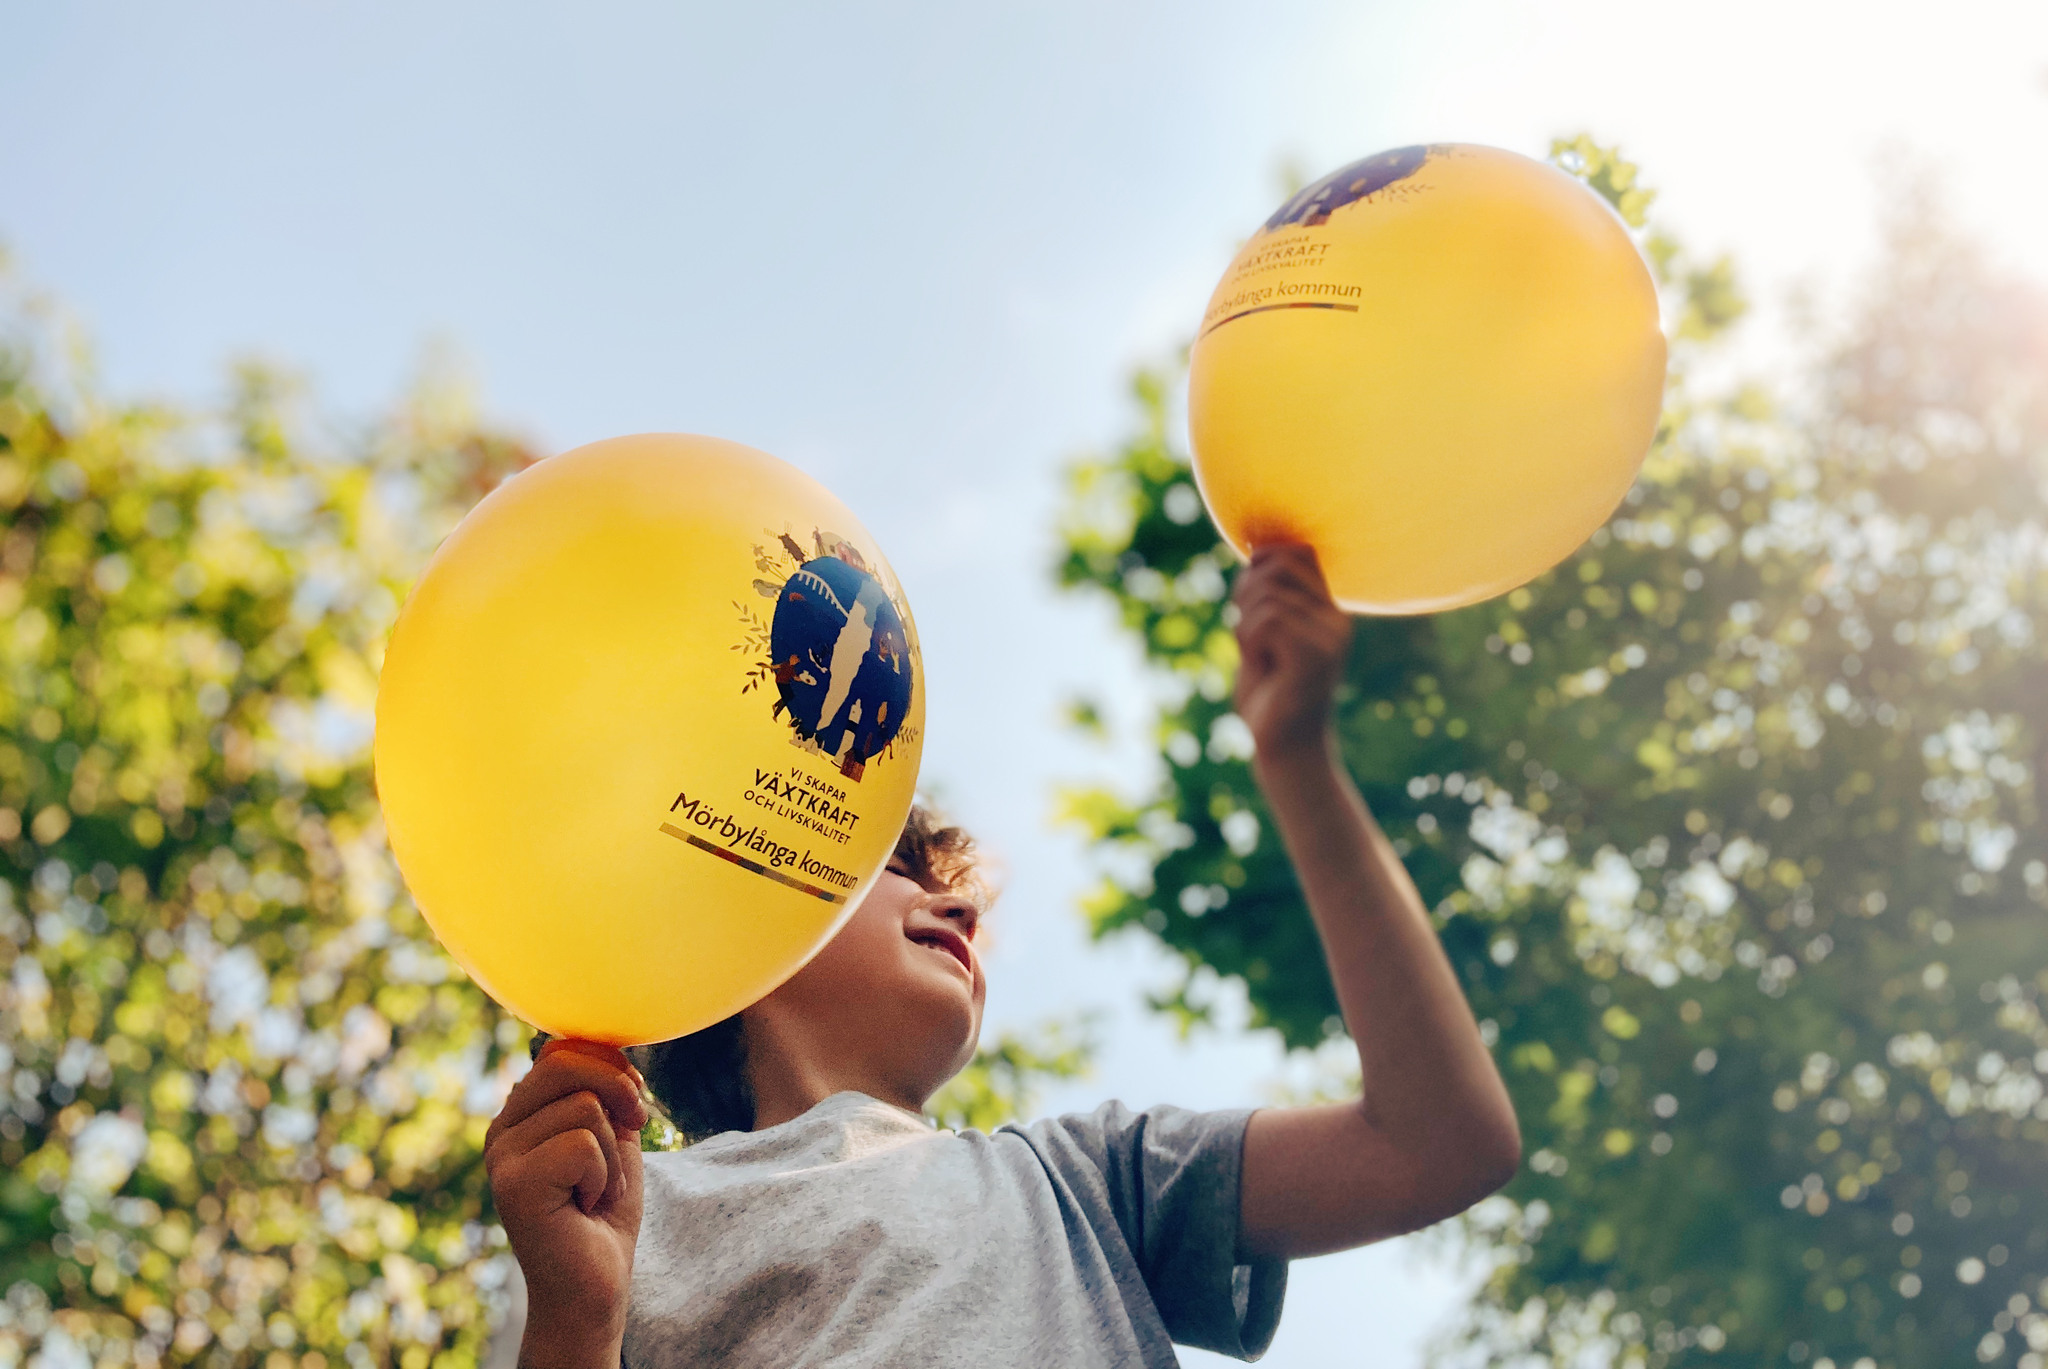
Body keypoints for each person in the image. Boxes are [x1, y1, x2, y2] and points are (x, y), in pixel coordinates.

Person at [485, 545, 1522, 1368]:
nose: (950, 902)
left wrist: (1295, 757)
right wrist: (575, 1328)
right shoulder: (608, 1221)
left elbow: (1437, 1144)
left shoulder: (1085, 1183)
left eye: (949, 886)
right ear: (747, 937)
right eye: (887, 867)